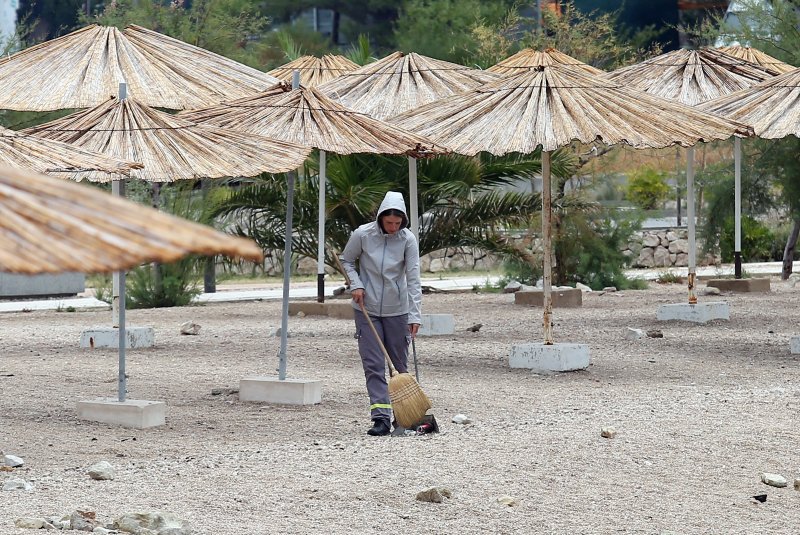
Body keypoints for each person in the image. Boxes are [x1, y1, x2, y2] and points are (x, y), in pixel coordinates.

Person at [340, 191, 422, 436]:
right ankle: (380, 418)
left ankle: (404, 416)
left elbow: (414, 278)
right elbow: (346, 260)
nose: (393, 228)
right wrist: (356, 284)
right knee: (374, 364)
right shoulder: (362, 234)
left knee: (399, 366)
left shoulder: (408, 240)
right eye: (389, 223)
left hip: (398, 310)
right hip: (367, 310)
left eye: (398, 224)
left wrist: (415, 315)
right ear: (380, 218)